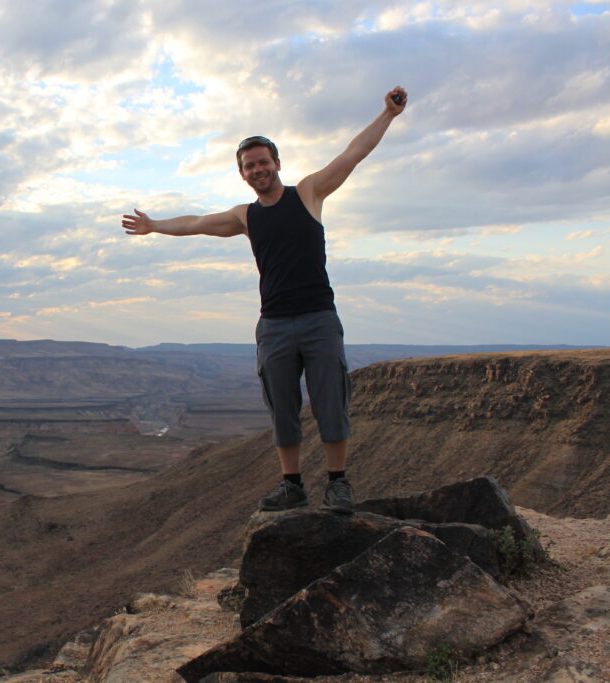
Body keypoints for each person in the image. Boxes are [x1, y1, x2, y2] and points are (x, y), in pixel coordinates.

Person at [122, 87, 408, 513]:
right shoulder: (246, 216)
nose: (258, 170)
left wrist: (387, 115)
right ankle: (292, 484)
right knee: (282, 407)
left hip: (318, 318)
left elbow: (352, 154)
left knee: (331, 400)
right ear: (242, 174)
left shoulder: (309, 193)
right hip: (274, 324)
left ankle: (338, 482)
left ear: (276, 164)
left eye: (263, 162)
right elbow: (197, 223)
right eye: (249, 166)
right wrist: (154, 226)